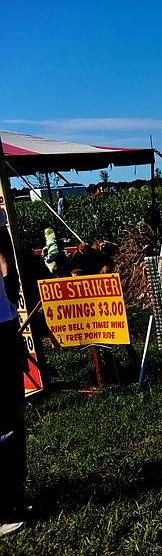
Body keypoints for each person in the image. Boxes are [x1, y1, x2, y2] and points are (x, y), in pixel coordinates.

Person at [0, 207, 28, 536]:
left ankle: (14, 493)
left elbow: (2, 242)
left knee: (10, 411)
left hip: (3, 320)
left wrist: (10, 281)